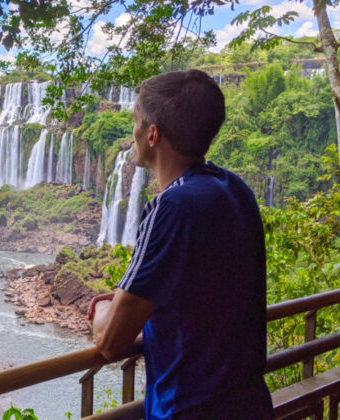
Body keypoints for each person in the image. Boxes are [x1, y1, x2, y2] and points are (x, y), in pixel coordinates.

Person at [87, 69, 273, 419]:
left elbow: (111, 344)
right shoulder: (235, 189)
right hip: (250, 404)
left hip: (191, 408)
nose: (133, 134)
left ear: (152, 134)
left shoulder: (171, 207)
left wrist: (101, 310)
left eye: (135, 123)